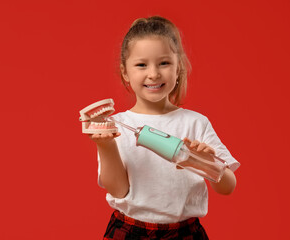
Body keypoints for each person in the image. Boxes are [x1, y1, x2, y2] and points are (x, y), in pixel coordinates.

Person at [89, 16, 240, 239]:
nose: (154, 73)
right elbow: (118, 190)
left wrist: (205, 161)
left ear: (178, 68)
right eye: (141, 64)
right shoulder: (116, 126)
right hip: (129, 231)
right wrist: (105, 145)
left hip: (185, 232)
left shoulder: (195, 123)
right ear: (125, 72)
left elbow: (228, 186)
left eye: (164, 63)